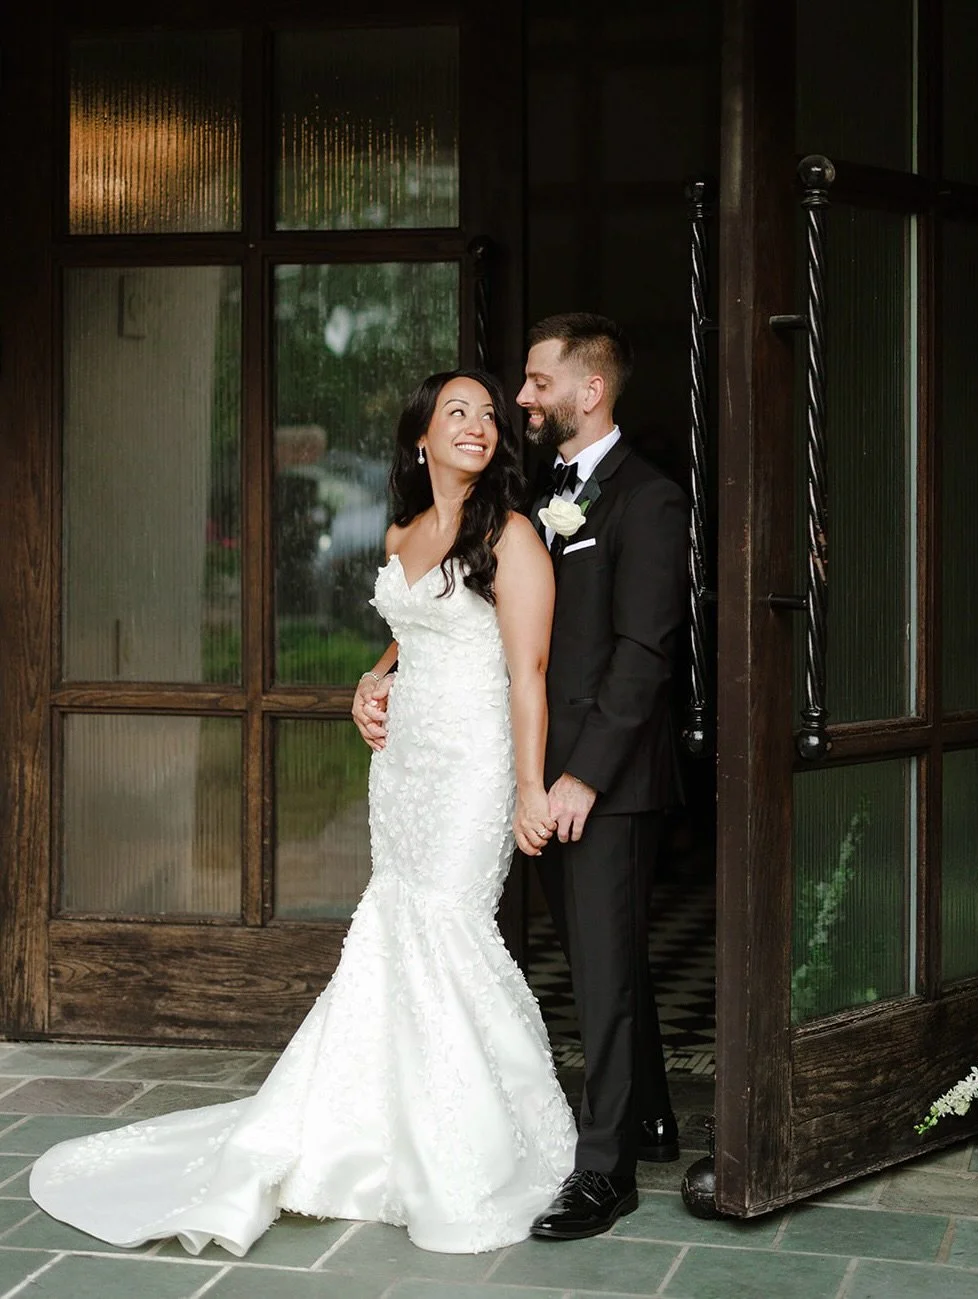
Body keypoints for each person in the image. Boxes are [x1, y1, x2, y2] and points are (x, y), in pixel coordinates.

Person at [29, 370, 577, 1256]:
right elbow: (422, 621)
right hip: (401, 768)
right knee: (396, 923)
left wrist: (524, 784)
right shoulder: (403, 531)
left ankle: (469, 1139)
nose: (477, 425)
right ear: (419, 440)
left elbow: (527, 669)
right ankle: (376, 1125)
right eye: (456, 413)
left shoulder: (510, 534)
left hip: (473, 764)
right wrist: (376, 671)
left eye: (486, 414)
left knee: (447, 923)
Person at [521, 313, 688, 1240]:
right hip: (540, 769)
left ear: (589, 391)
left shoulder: (648, 499)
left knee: (601, 972)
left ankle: (605, 1172)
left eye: (538, 380)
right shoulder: (541, 489)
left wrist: (583, 774)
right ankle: (652, 1113)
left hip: (605, 780)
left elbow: (643, 652)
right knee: (606, 955)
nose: (523, 397)